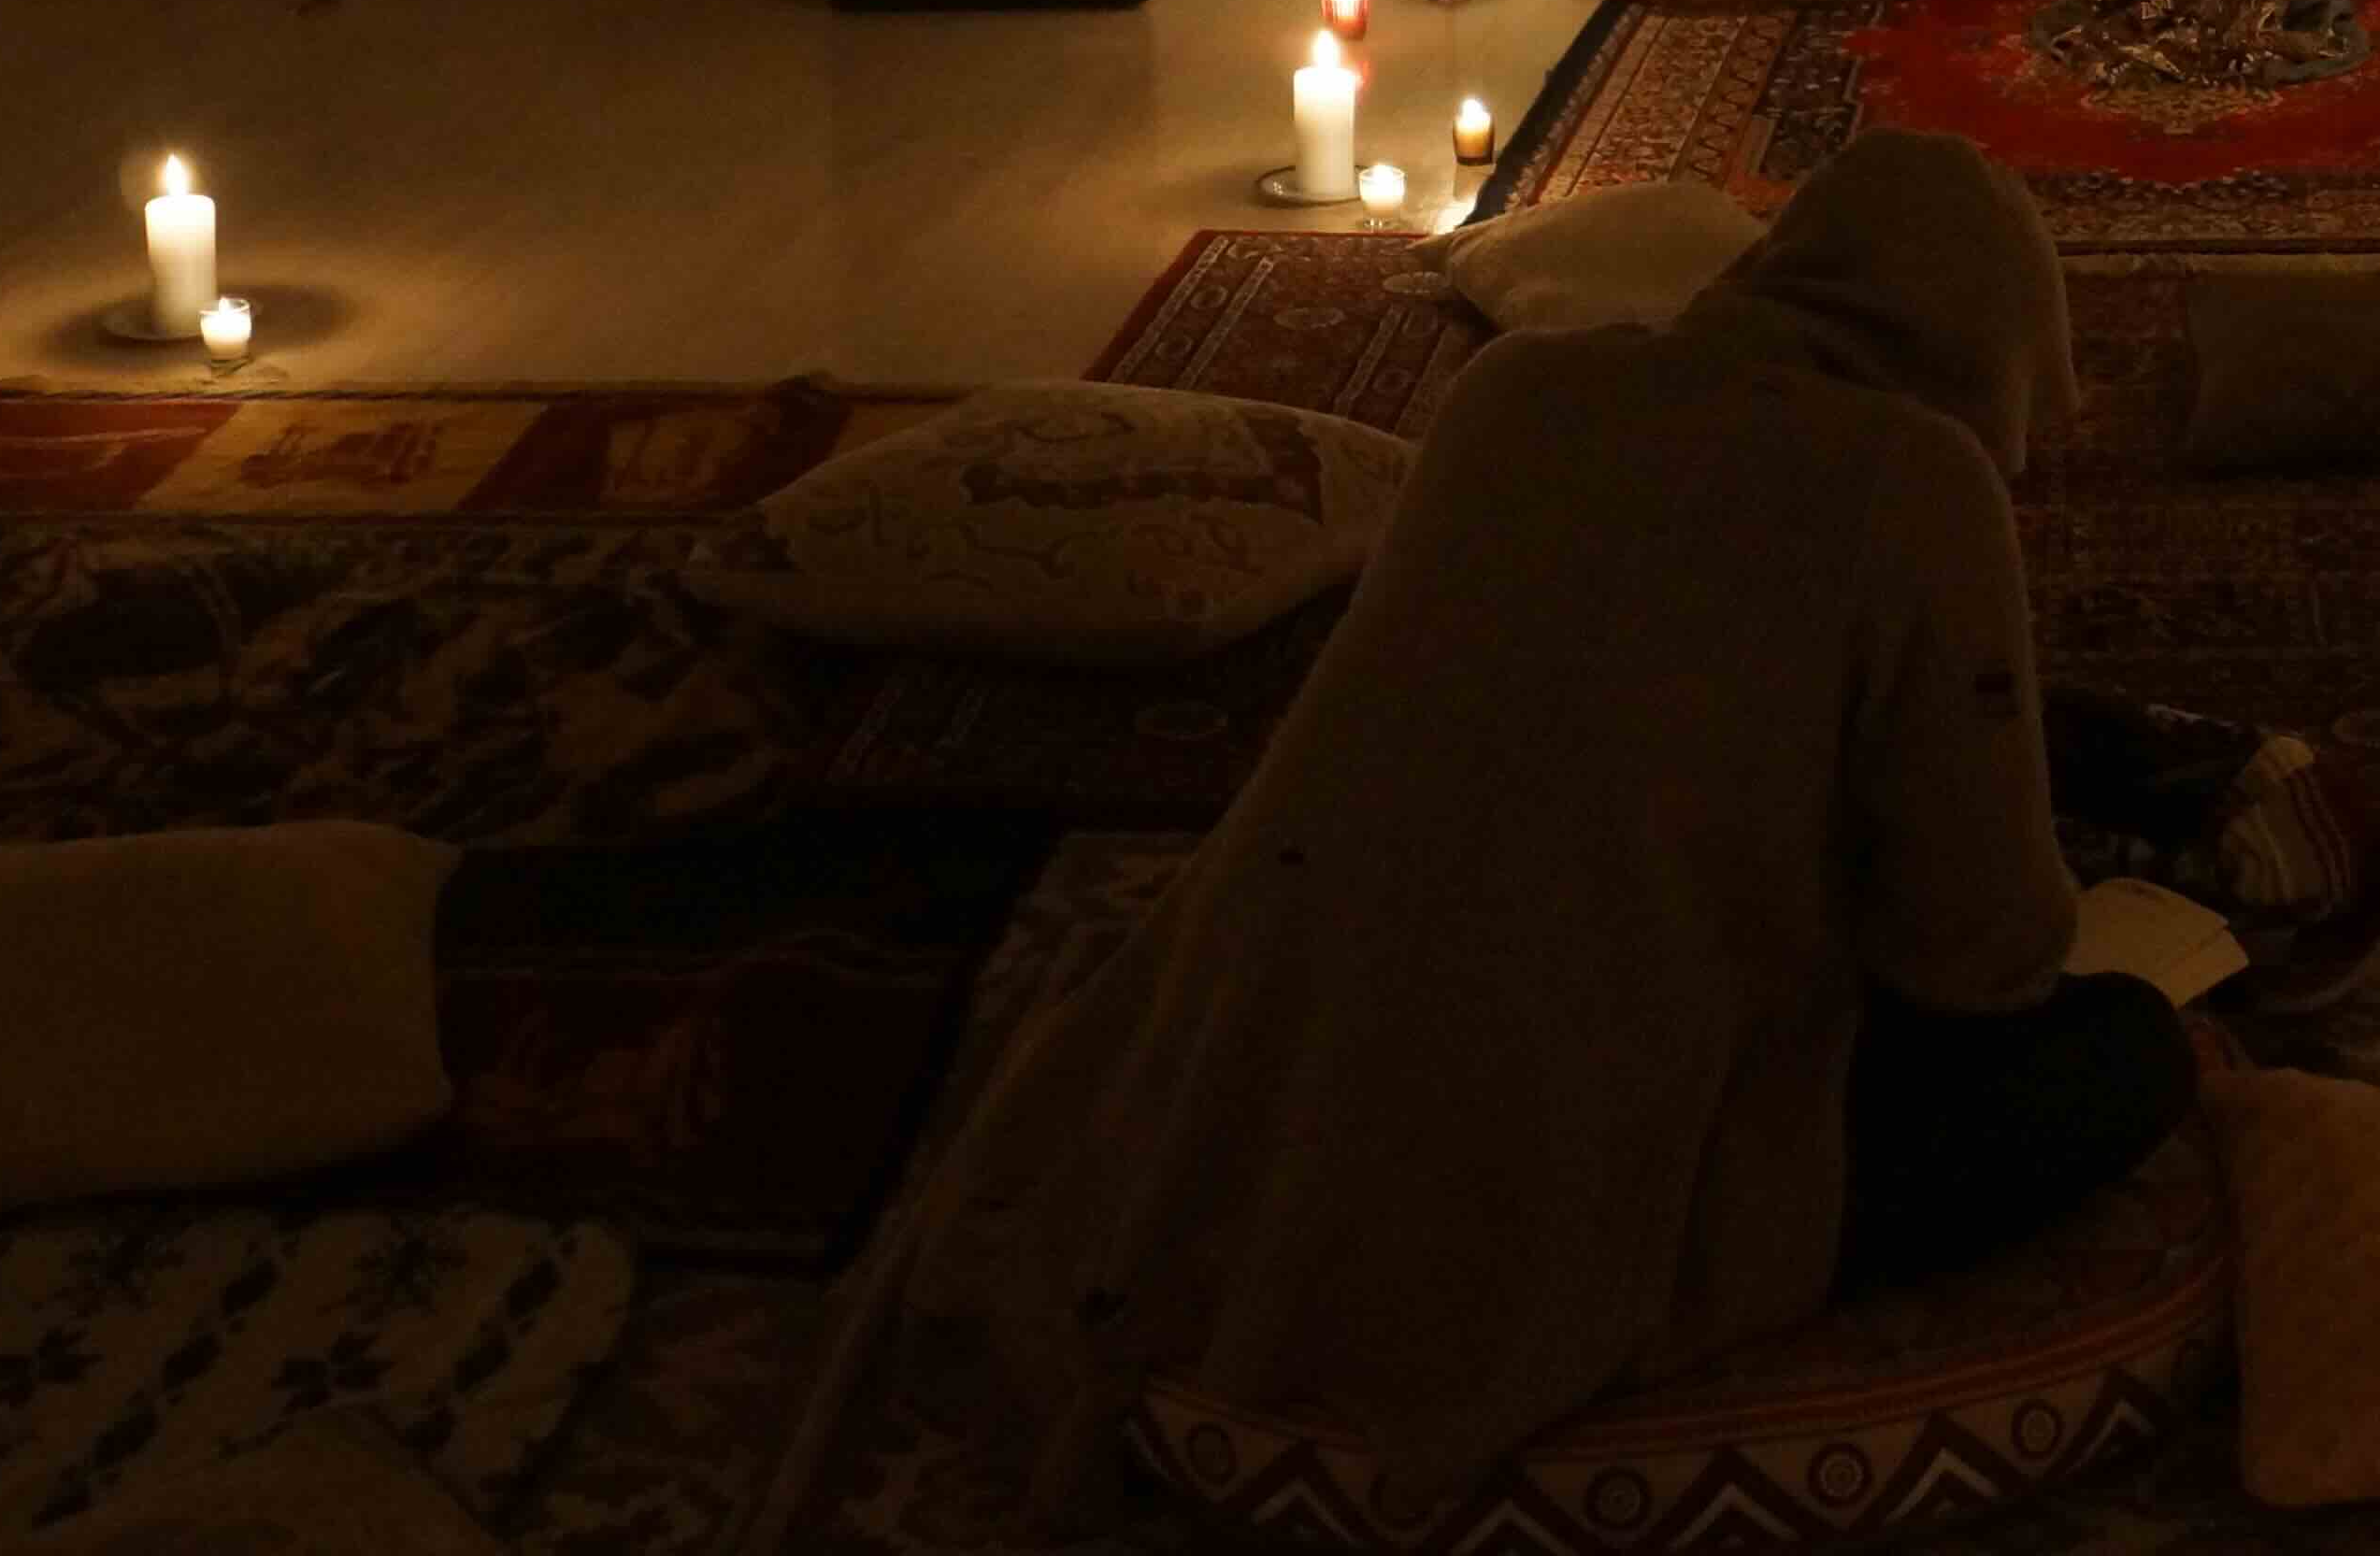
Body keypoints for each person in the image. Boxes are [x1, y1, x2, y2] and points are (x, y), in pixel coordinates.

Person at [783, 130, 2188, 1543]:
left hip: (1261, 1105)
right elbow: (1978, 960)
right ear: (2004, 335)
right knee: (2126, 1053)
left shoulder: (1517, 391)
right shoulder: (1916, 479)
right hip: (1550, 1196)